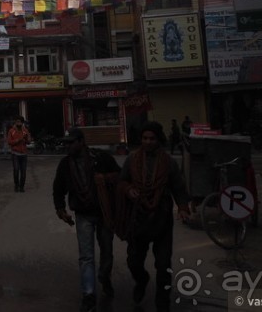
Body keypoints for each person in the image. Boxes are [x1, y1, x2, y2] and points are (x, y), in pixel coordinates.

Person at [116, 121, 190, 312]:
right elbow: (122, 181)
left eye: (152, 139)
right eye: (144, 138)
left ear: (158, 140)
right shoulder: (132, 160)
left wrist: (182, 207)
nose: (148, 142)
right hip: (138, 219)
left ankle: (162, 303)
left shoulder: (168, 162)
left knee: (164, 265)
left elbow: (178, 187)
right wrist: (129, 189)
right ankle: (142, 281)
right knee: (133, 261)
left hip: (162, 219)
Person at [53, 127, 119, 312]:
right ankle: (88, 294)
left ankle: (104, 277)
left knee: (107, 250)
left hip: (104, 213)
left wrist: (104, 178)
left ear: (81, 142)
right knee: (86, 257)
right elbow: (58, 189)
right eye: (66, 143)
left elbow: (120, 176)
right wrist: (60, 209)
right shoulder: (65, 164)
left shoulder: (101, 158)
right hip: (83, 215)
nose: (68, 146)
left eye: (71, 142)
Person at [7, 116, 31, 192]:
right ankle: (16, 185)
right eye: (17, 122)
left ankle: (22, 187)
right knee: (16, 170)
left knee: (23, 172)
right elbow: (9, 142)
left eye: (20, 122)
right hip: (15, 154)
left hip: (24, 154)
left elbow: (29, 141)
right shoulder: (11, 131)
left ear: (22, 123)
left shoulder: (25, 130)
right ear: (15, 122)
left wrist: (27, 139)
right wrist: (18, 140)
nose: (18, 123)